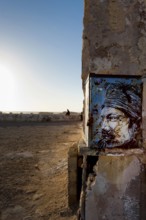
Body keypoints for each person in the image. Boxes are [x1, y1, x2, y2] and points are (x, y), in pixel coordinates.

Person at [93, 82, 142, 149]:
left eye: (113, 118)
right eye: (102, 119)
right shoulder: (98, 146)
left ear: (135, 123)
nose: (104, 127)